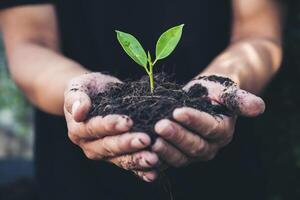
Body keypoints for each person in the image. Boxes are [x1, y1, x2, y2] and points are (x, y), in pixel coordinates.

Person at [0, 0, 283, 199]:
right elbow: (31, 43)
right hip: (77, 179)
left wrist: (224, 83)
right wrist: (80, 97)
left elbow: (258, 32)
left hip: (224, 178)